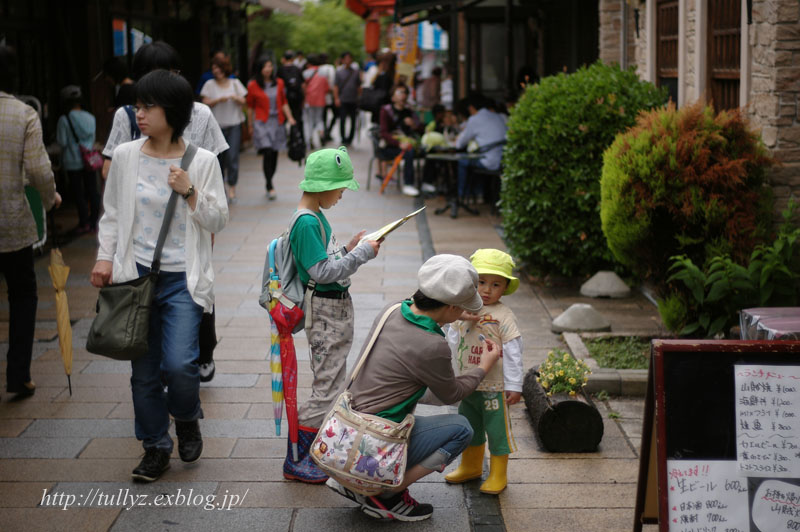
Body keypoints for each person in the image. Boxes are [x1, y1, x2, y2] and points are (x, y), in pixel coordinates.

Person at [91, 69, 229, 482]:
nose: (139, 113)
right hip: (135, 278)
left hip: (182, 280)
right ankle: (155, 446)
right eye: (137, 105)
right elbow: (112, 214)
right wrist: (103, 258)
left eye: (148, 106)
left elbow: (218, 220)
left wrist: (190, 191)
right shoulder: (128, 155)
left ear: (173, 110)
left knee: (181, 365)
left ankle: (186, 416)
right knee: (144, 372)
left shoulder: (201, 162)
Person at [326, 254, 502, 521]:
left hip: (342, 431)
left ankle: (357, 480)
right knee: (462, 429)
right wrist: (483, 367)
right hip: (375, 439)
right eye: (460, 307)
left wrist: (452, 313)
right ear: (452, 308)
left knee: (417, 416)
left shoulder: (392, 310)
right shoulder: (432, 344)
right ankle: (387, 493)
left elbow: (408, 386)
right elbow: (452, 394)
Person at [284, 146, 381, 483]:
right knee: (326, 386)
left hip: (331, 309)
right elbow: (321, 272)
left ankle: (311, 452)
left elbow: (322, 262)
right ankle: (296, 458)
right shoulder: (307, 222)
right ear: (323, 186)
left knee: (333, 381)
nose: (341, 195)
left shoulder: (314, 219)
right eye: (340, 188)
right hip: (324, 311)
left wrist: (348, 250)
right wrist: (361, 255)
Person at [0, 45, 62, 400]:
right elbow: (39, 169)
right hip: (11, 222)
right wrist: (51, 196)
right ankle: (18, 375)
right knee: (22, 295)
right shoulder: (22, 114)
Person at [444, 249, 522, 495]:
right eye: (481, 283)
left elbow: (513, 352)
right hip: (468, 384)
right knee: (470, 427)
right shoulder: (462, 309)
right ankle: (471, 466)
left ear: (505, 287)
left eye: (496, 284)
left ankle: (499, 474)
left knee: (497, 431)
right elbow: (452, 341)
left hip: (495, 387)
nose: (487, 290)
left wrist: (514, 385)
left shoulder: (504, 316)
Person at [102, 41, 229, 180]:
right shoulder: (127, 116)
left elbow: (214, 170)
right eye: (159, 75)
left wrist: (190, 191)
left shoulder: (200, 113)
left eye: (174, 73)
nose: (168, 81)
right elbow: (109, 170)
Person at [246, 56, 296, 200]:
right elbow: (250, 107)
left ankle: (270, 180)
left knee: (274, 154)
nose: (268, 69)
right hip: (261, 123)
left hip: (277, 122)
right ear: (260, 69)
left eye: (270, 66)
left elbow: (284, 102)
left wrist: (290, 118)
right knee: (267, 152)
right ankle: (269, 184)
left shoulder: (279, 83)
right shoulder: (253, 85)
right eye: (265, 67)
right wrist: (250, 125)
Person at [200, 53, 247, 203]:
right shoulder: (209, 85)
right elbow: (205, 102)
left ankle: (232, 186)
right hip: (216, 127)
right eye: (213, 68)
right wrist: (218, 100)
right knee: (217, 159)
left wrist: (235, 98)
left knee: (233, 157)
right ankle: (221, 188)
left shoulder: (235, 83)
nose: (215, 71)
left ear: (224, 68)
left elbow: (244, 101)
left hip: (233, 125)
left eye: (218, 68)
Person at [56, 85, 101, 233]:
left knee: (78, 193)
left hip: (72, 160)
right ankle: (94, 222)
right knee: (92, 190)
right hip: (90, 159)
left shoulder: (64, 119)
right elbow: (92, 138)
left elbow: (62, 142)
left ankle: (84, 222)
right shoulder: (91, 117)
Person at [455, 93, 508, 201]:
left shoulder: (474, 119)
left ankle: (463, 196)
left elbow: (460, 144)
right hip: (502, 160)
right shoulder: (498, 116)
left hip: (488, 161)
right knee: (475, 160)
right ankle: (479, 193)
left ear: (471, 107)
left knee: (463, 162)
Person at [378, 84, 424, 197]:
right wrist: (399, 143)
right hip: (390, 147)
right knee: (409, 153)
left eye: (405, 93)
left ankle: (427, 181)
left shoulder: (410, 111)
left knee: (426, 151)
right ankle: (408, 184)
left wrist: (413, 125)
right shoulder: (386, 111)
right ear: (393, 97)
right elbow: (383, 133)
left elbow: (421, 129)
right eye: (399, 92)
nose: (403, 95)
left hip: (409, 143)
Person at [301, 55, 329, 150]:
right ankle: (321, 134)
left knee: (309, 121)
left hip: (309, 100)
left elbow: (303, 87)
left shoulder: (305, 73)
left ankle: (309, 139)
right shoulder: (323, 73)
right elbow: (327, 88)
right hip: (320, 100)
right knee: (319, 119)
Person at [333, 51, 361, 146]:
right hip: (343, 99)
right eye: (346, 58)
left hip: (353, 100)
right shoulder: (339, 72)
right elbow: (336, 86)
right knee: (342, 119)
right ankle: (343, 138)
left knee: (353, 120)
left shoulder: (356, 72)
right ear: (342, 60)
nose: (348, 60)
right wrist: (336, 98)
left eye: (349, 58)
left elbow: (359, 86)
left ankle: (350, 138)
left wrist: (359, 98)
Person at [277, 50, 305, 145]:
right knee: (298, 118)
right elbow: (303, 84)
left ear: (284, 59)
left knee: (284, 119)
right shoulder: (297, 69)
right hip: (297, 97)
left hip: (285, 98)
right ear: (292, 59)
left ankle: (285, 140)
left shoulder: (280, 70)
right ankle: (299, 139)